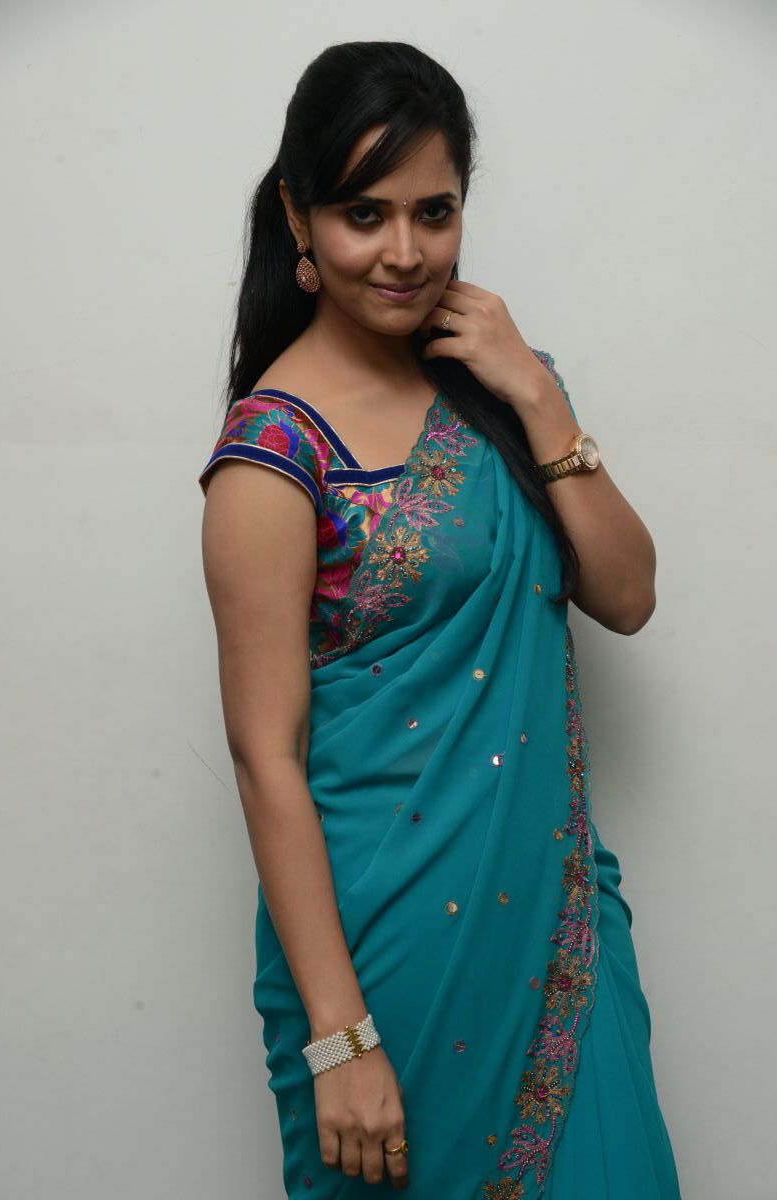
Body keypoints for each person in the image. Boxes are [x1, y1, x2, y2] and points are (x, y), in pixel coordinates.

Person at [197, 39, 682, 1200]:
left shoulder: (503, 385)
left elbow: (625, 596)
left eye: (434, 211)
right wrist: (338, 1039)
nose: (404, 254)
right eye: (363, 214)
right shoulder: (273, 454)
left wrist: (538, 395)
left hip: (556, 930)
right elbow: (265, 758)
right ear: (298, 217)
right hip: (384, 962)